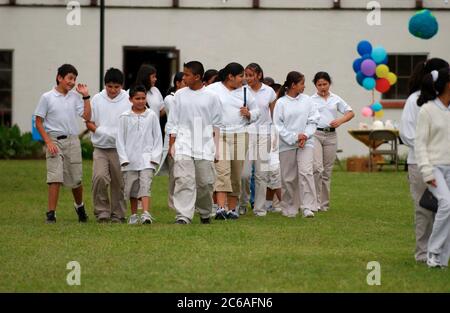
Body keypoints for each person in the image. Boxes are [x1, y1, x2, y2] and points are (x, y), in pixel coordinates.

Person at [400, 58, 449, 263]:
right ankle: (423, 252)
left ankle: (439, 252)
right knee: (424, 210)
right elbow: (408, 134)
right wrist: (428, 156)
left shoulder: (444, 104)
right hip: (420, 163)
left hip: (443, 163)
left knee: (444, 208)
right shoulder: (416, 100)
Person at [34, 64, 91, 223]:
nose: (72, 82)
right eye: (69, 78)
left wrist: (86, 97)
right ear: (60, 77)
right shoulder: (47, 97)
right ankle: (51, 213)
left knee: (76, 179)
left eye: (74, 79)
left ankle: (79, 207)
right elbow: (38, 122)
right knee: (55, 177)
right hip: (54, 141)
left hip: (72, 140)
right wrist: (48, 141)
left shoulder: (75, 97)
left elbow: (87, 116)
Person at [167, 61, 222, 224]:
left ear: (197, 77)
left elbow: (217, 125)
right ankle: (183, 216)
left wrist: (217, 148)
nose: (184, 77)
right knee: (184, 179)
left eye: (187, 74)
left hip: (205, 146)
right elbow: (173, 122)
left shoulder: (212, 97)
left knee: (205, 183)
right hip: (183, 144)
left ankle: (205, 212)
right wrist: (172, 144)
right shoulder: (179, 95)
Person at [207, 62, 259, 220]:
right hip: (219, 134)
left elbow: (257, 111)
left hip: (240, 134)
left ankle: (232, 209)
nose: (244, 79)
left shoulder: (246, 92)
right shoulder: (213, 89)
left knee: (236, 174)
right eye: (241, 76)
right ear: (230, 76)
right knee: (222, 171)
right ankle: (220, 208)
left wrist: (249, 113)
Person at [415, 67, 450, 268]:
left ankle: (443, 260)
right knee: (446, 204)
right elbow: (420, 144)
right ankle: (433, 252)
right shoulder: (427, 110)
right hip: (435, 167)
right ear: (446, 84)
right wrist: (427, 172)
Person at [86, 68, 131, 223]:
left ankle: (118, 214)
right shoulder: (97, 99)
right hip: (100, 147)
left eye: (116, 87)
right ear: (105, 85)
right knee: (99, 177)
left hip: (121, 149)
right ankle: (102, 211)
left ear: (122, 86)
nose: (113, 90)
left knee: (119, 182)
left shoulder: (128, 99)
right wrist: (101, 131)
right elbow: (88, 122)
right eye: (109, 86)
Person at [273, 71, 319, 218]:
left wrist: (305, 135)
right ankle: (289, 208)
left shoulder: (308, 100)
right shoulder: (281, 103)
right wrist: (294, 137)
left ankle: (307, 207)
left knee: (306, 172)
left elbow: (313, 120)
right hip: (287, 144)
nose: (304, 86)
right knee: (288, 178)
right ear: (293, 85)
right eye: (302, 83)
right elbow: (278, 126)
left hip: (307, 142)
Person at [116, 85, 163, 225]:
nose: (141, 101)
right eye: (137, 98)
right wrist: (123, 158)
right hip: (130, 160)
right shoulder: (124, 117)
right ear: (131, 99)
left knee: (145, 185)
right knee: (131, 188)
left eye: (143, 98)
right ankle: (134, 214)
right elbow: (120, 140)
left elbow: (157, 137)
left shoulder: (151, 115)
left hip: (147, 159)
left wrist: (155, 157)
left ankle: (146, 213)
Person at [311, 72, 354, 212]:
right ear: (315, 85)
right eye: (319, 85)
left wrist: (340, 121)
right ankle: (315, 202)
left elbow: (350, 112)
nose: (322, 87)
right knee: (317, 168)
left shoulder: (336, 99)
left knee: (327, 171)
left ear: (329, 84)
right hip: (316, 134)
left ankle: (324, 204)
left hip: (331, 136)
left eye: (325, 84)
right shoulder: (311, 100)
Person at [239, 63, 277, 217]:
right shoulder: (241, 91)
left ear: (259, 75)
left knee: (262, 174)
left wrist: (274, 136)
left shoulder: (269, 92)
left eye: (250, 75)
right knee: (244, 174)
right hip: (246, 133)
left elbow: (274, 116)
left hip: (264, 134)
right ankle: (242, 203)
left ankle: (260, 209)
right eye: (245, 75)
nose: (247, 78)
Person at [158, 72, 186, 211]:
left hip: (186, 139)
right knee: (174, 173)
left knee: (184, 173)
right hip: (173, 138)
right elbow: (178, 116)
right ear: (177, 83)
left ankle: (183, 201)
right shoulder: (170, 98)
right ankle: (172, 203)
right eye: (184, 83)